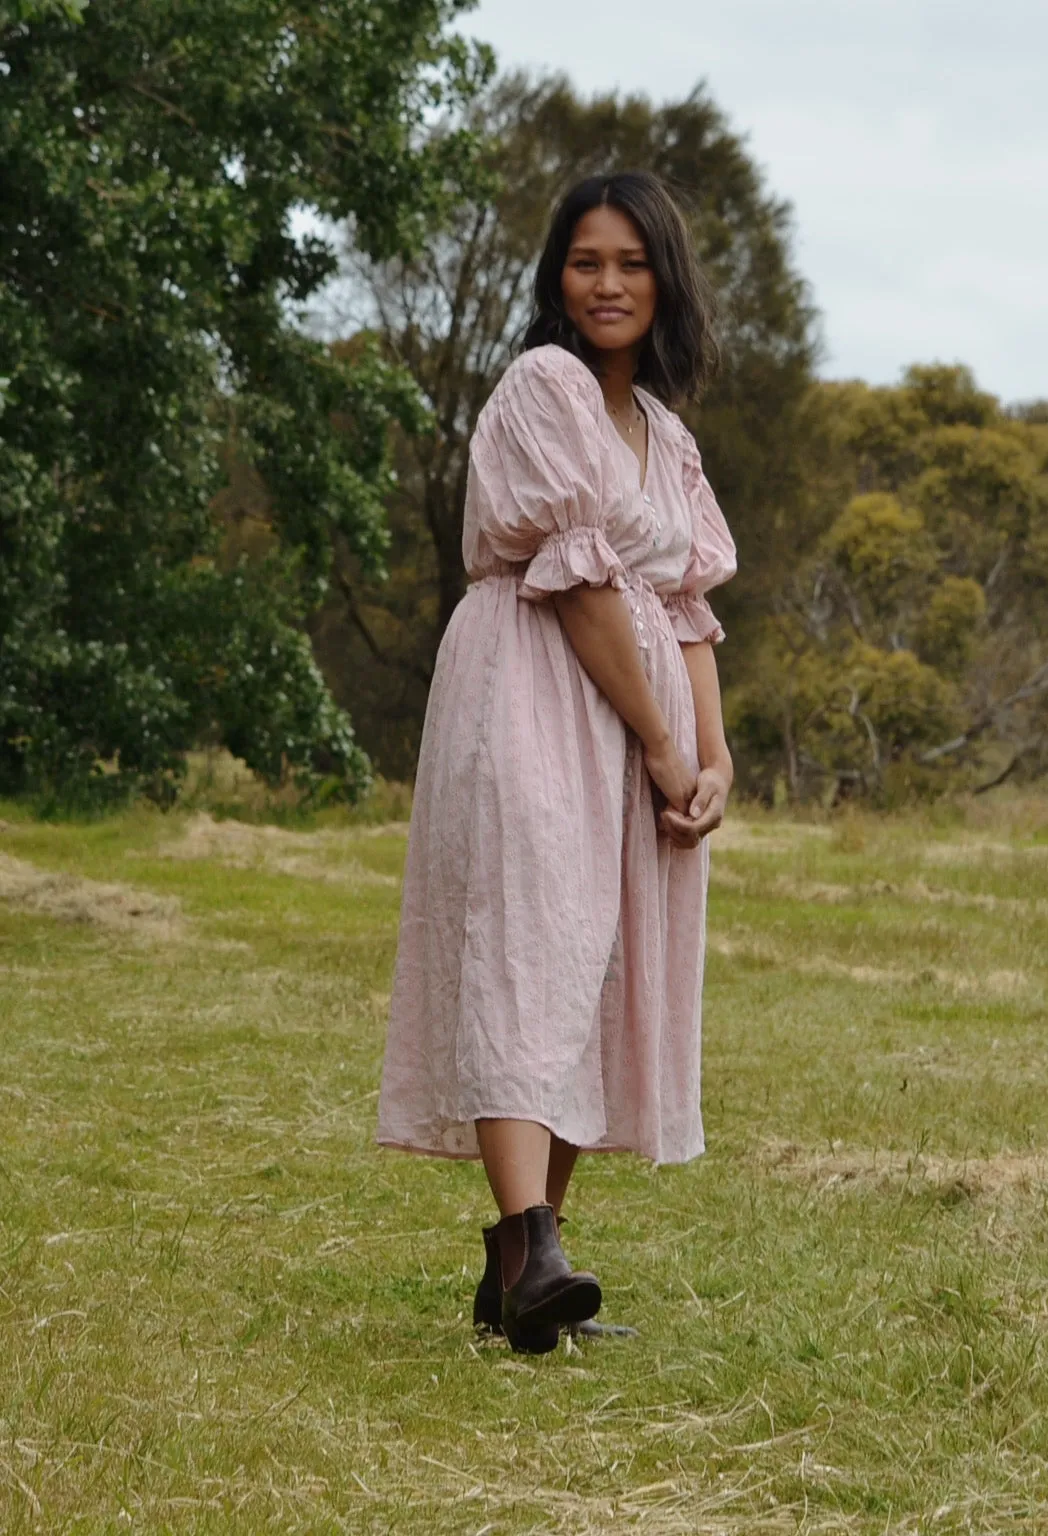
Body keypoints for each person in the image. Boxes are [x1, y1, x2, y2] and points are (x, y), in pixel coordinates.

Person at [377, 170, 737, 1354]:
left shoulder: (668, 439)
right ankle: (531, 1243)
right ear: (556, 278)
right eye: (586, 261)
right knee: (528, 938)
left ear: (664, 279)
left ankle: (525, 1272)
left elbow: (684, 610)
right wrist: (653, 737)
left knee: (598, 959)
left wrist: (710, 755)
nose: (608, 283)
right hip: (534, 690)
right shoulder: (543, 387)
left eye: (631, 263)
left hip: (638, 718)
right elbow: (582, 589)